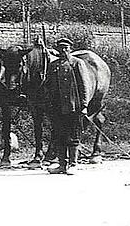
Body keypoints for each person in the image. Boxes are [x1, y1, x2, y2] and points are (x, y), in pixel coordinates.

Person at [46, 38, 87, 175]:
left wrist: (84, 105)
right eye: (60, 48)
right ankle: (62, 165)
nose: (63, 51)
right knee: (59, 136)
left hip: (73, 106)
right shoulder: (52, 65)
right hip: (57, 107)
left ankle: (73, 164)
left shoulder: (77, 64)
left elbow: (83, 86)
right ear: (57, 50)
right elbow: (48, 86)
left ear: (70, 49)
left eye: (66, 48)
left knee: (73, 135)